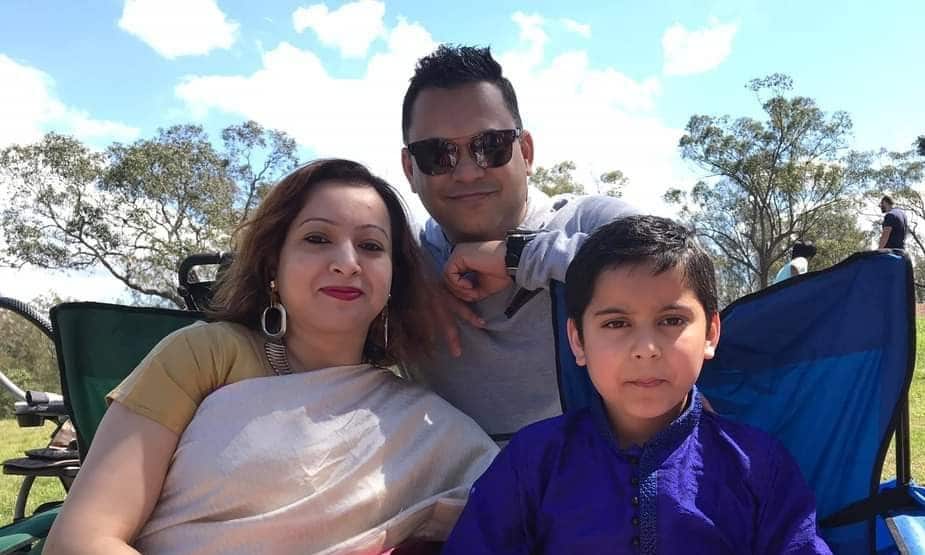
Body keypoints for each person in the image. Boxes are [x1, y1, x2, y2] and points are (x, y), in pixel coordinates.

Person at [44, 159, 498, 555]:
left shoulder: (417, 423)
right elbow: (79, 540)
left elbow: (512, 505)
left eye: (371, 246)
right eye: (317, 238)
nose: (347, 262)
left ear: (393, 277)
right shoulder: (203, 356)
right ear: (272, 265)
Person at [443, 215, 832, 554]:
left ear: (711, 333)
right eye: (616, 323)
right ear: (578, 340)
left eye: (671, 321)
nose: (646, 349)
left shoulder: (758, 464)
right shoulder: (533, 460)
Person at [400, 44, 638, 438]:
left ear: (525, 152)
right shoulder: (399, 259)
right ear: (410, 169)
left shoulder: (588, 223)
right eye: (437, 154)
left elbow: (681, 269)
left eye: (489, 146)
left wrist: (518, 256)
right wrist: (408, 283)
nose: (467, 172)